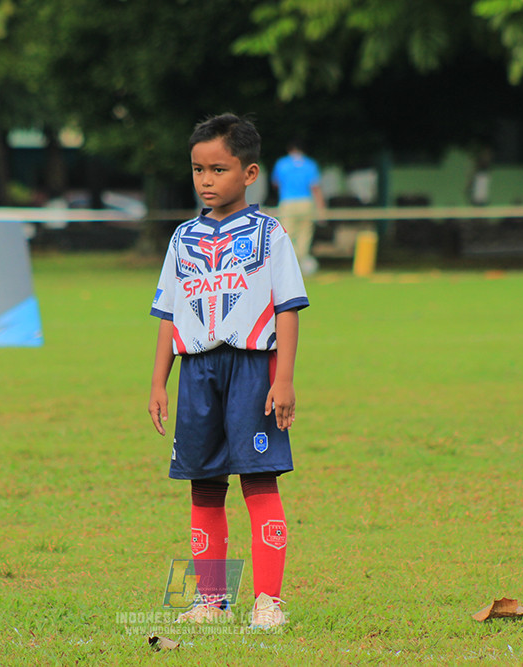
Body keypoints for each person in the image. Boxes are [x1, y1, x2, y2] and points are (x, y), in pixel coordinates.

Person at [148, 113, 309, 630]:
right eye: (198, 170)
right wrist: (158, 381)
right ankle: (211, 601)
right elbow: (168, 316)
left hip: (252, 371)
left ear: (250, 173)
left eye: (218, 169)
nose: (206, 180)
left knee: (259, 482)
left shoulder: (269, 234)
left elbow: (287, 307)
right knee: (203, 485)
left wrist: (282, 378)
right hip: (197, 372)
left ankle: (268, 601)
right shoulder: (182, 238)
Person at [271, 140, 326, 275]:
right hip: (306, 202)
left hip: (287, 202)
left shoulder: (282, 163)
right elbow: (315, 188)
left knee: (288, 234)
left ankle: (290, 264)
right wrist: (321, 209)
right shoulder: (310, 164)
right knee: (304, 235)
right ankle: (302, 263)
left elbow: (276, 183)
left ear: (290, 149)